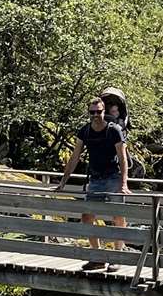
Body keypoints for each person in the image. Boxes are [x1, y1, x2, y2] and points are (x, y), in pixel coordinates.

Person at [55, 96, 129, 271]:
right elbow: (75, 157)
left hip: (113, 178)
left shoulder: (114, 130)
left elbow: (122, 158)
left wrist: (124, 183)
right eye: (92, 112)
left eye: (99, 112)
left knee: (118, 217)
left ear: (104, 112)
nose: (95, 115)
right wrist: (63, 182)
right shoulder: (85, 131)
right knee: (87, 217)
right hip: (95, 180)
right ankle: (98, 257)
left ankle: (117, 257)